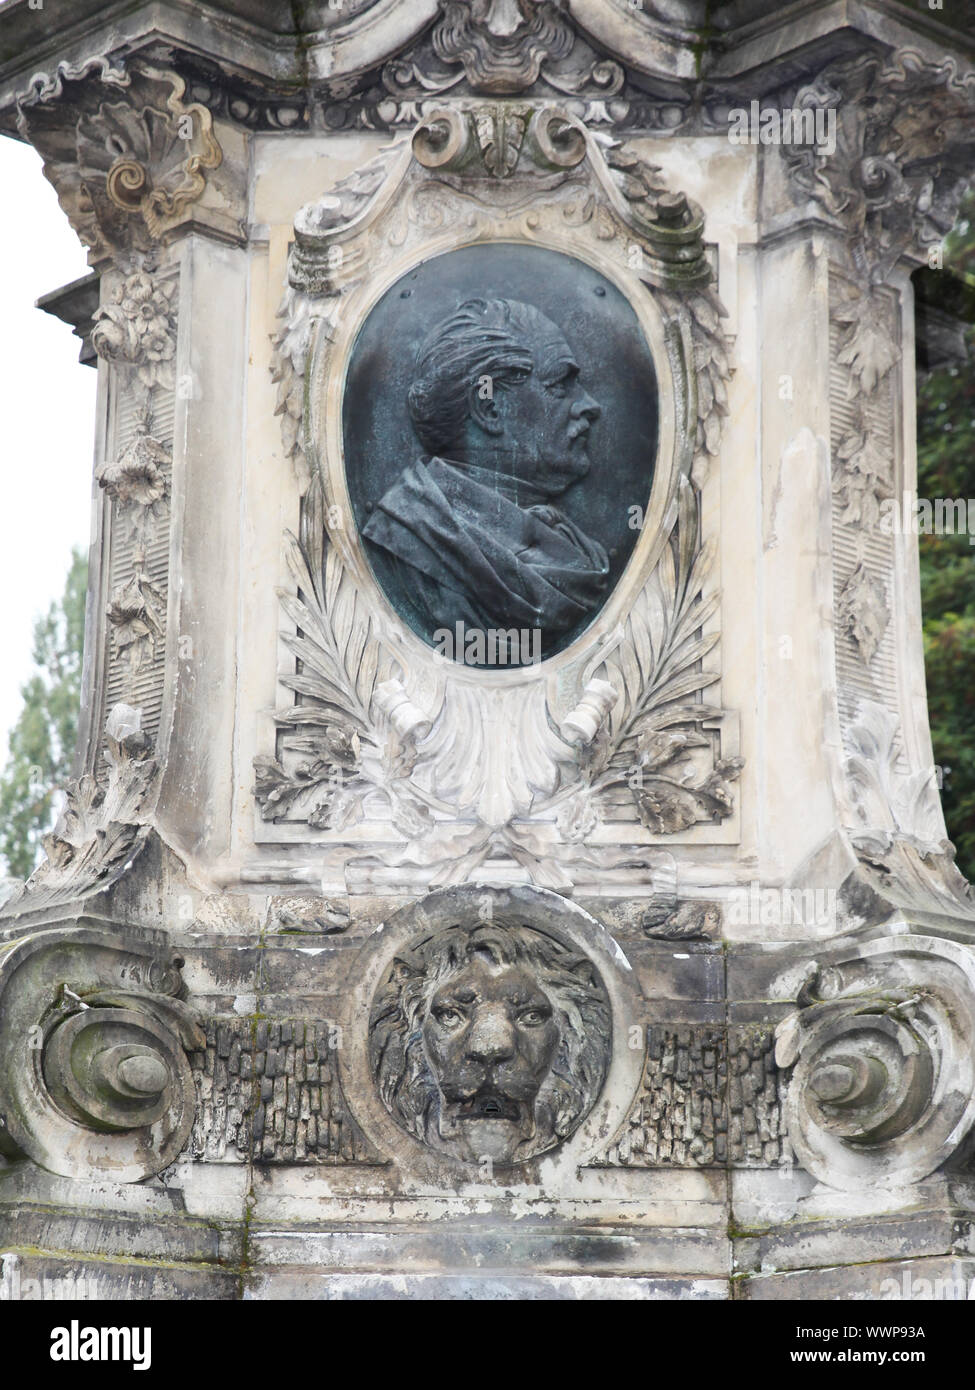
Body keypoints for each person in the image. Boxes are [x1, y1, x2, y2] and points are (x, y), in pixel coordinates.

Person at [362, 297, 609, 661]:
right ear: (489, 407)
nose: (589, 405)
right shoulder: (410, 534)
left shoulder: (579, 549)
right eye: (560, 385)